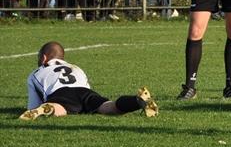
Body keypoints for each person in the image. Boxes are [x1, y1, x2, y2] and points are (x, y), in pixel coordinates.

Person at [19, 41, 158, 121]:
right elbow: (85, 87)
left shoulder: (36, 73)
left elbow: (32, 106)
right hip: (85, 92)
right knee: (108, 106)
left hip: (61, 93)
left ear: (43, 58)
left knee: (61, 107)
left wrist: (36, 109)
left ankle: (48, 108)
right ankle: (137, 100)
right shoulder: (76, 68)